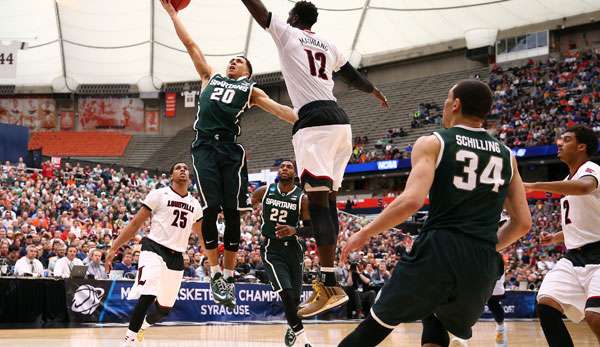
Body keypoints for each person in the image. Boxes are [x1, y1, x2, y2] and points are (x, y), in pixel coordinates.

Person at [338, 79, 532, 346]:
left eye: (445, 101)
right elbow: (522, 223)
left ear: (455, 104)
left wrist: (365, 232)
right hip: (483, 262)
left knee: (373, 328)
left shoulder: (435, 142)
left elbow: (411, 201)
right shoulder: (508, 155)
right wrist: (483, 245)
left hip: (439, 250)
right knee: (435, 320)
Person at [242, 0, 389, 317]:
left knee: (319, 205)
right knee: (328, 203)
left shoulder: (288, 33)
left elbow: (259, 11)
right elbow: (352, 77)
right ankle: (331, 280)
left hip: (314, 124)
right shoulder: (329, 44)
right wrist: (373, 90)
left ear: (294, 17)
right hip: (341, 123)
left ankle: (328, 285)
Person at [160, 0, 298, 309]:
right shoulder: (210, 77)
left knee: (233, 212)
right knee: (210, 208)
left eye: (239, 61)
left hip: (231, 151)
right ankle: (215, 273)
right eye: (231, 60)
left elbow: (280, 111)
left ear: (249, 72)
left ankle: (230, 275)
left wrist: (308, 117)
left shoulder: (251, 90)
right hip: (205, 145)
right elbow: (191, 44)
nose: (232, 63)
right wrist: (172, 14)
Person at [105, 162, 203, 347]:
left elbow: (203, 236)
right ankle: (129, 339)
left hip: (177, 256)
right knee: (149, 292)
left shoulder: (195, 204)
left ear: (189, 177)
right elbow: (135, 225)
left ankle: (143, 326)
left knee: (164, 309)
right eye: (178, 168)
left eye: (185, 168)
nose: (182, 170)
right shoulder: (159, 194)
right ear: (171, 175)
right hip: (154, 248)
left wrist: (215, 265)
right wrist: (113, 248)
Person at [524, 125, 600, 347]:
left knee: (595, 317)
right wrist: (556, 237)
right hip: (574, 256)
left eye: (566, 139)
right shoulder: (569, 178)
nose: (559, 143)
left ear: (581, 146)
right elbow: (583, 223)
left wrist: (534, 186)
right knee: (547, 305)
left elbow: (585, 188)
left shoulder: (591, 169)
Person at [251, 160, 312, 347]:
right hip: (272, 249)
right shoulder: (264, 191)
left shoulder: (302, 198)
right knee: (285, 294)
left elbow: (310, 229)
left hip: (294, 249)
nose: (285, 168)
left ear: (295, 173)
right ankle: (305, 341)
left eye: (289, 167)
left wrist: (295, 230)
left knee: (294, 299)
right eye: (282, 166)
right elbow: (251, 203)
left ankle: (292, 326)